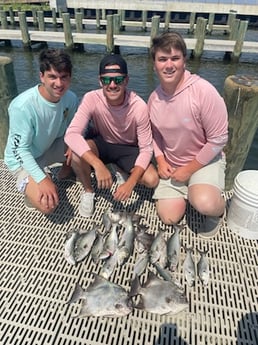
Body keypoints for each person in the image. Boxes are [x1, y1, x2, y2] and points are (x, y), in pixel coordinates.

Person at [148, 31, 228, 237]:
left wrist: (189, 170)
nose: (168, 65)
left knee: (205, 203)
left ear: (184, 59)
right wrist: (160, 158)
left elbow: (219, 139)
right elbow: (154, 134)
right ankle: (190, 191)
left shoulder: (203, 91)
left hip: (204, 161)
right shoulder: (154, 98)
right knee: (169, 218)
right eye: (162, 59)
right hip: (172, 164)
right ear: (154, 63)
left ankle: (217, 208)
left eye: (175, 58)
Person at [65, 53, 159, 217]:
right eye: (107, 80)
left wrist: (130, 184)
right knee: (75, 154)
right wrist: (97, 164)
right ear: (100, 81)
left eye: (118, 79)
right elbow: (71, 134)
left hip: (128, 148)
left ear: (127, 81)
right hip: (102, 143)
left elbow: (146, 150)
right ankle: (88, 191)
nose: (113, 85)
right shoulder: (91, 98)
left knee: (152, 180)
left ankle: (120, 169)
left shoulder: (139, 107)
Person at [4, 48, 79, 214]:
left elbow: (73, 128)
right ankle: (30, 188)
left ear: (70, 78)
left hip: (50, 145)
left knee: (84, 147)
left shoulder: (71, 98)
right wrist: (42, 178)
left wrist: (74, 146)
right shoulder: (22, 106)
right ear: (41, 76)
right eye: (52, 76)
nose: (59, 84)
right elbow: (20, 149)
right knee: (49, 206)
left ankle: (65, 171)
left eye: (64, 77)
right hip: (22, 158)